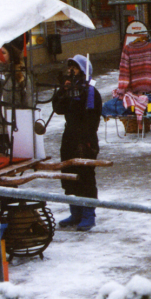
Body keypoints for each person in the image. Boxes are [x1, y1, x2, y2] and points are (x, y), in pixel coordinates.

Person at [53, 55, 102, 231]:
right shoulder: (68, 89)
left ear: (83, 71)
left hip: (85, 139)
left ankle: (88, 214)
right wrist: (62, 91)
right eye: (69, 68)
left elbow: (92, 119)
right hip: (69, 137)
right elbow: (58, 109)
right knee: (68, 174)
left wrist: (86, 141)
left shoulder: (90, 92)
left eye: (74, 68)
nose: (70, 72)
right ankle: (75, 212)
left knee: (85, 176)